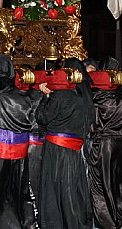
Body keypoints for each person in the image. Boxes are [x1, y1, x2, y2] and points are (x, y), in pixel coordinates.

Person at [0, 54, 35, 229]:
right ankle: (24, 223)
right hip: (21, 151)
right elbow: (32, 123)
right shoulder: (25, 96)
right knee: (19, 192)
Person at [35, 67, 93, 229]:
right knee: (72, 187)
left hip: (56, 149)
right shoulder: (79, 98)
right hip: (74, 149)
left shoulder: (57, 97)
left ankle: (58, 223)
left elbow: (42, 117)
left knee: (55, 188)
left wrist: (45, 98)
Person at [86, 66, 122, 229]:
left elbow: (90, 123)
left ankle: (108, 223)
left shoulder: (96, 98)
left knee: (102, 185)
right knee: (121, 182)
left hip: (105, 145)